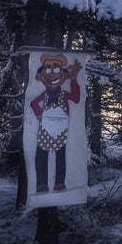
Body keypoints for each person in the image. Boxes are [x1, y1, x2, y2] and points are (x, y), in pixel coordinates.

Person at [28, 53, 82, 192]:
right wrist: (39, 115)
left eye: (56, 70)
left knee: (60, 154)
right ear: (40, 76)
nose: (52, 75)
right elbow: (33, 103)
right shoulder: (45, 94)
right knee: (41, 154)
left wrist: (74, 80)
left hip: (60, 128)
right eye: (47, 71)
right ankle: (42, 183)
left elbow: (76, 99)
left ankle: (59, 182)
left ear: (64, 75)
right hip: (45, 129)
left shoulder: (63, 94)